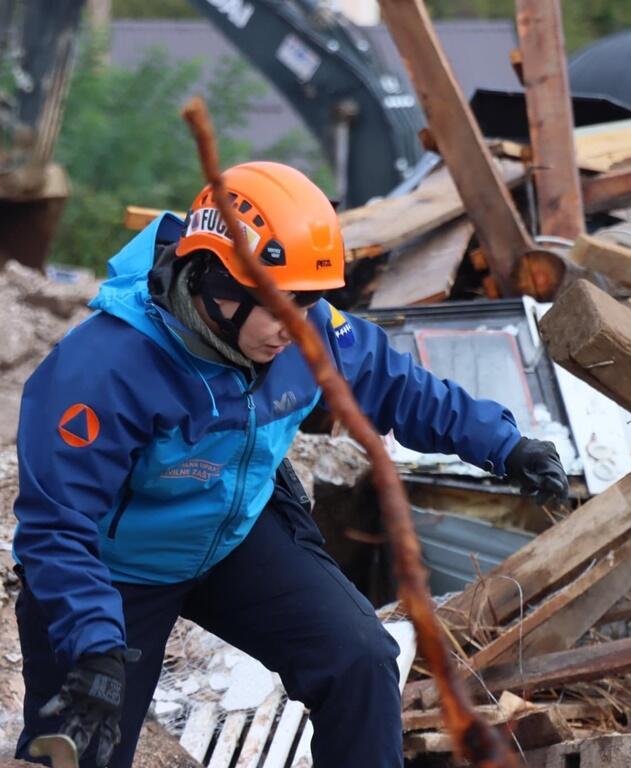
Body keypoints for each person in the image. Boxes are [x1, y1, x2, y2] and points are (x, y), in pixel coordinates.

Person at [12, 161, 568, 768]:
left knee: (360, 657)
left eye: (307, 302)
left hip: (233, 538)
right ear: (216, 281)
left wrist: (504, 445)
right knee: (83, 742)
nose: (293, 327)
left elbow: (395, 384)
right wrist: (94, 644)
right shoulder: (104, 366)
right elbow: (56, 525)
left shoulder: (306, 331)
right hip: (115, 570)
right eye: (278, 305)